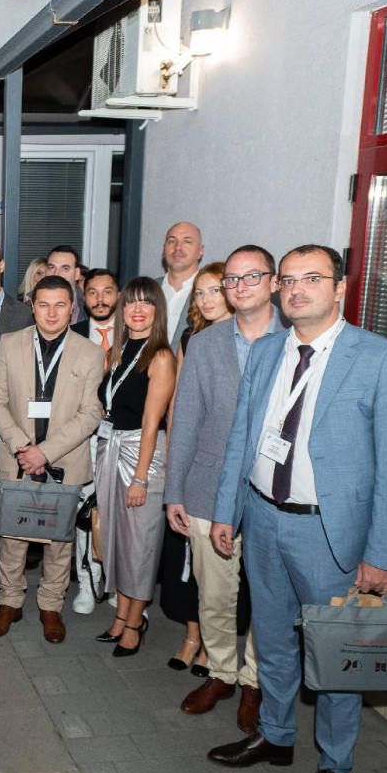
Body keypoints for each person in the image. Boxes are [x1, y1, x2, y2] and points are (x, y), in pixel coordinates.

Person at [206, 246, 387, 773]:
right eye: (289, 280)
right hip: (262, 519)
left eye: (313, 278)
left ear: (340, 287)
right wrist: (227, 511)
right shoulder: (266, 350)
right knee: (272, 641)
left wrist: (382, 554)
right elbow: (242, 436)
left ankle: (336, 769)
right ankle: (275, 736)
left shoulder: (380, 360)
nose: (297, 290)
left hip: (329, 535)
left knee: (334, 660)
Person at [167, 246, 282, 734]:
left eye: (251, 277)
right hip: (207, 486)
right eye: (232, 279)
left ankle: (254, 681)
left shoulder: (294, 340)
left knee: (267, 598)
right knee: (214, 593)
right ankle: (221, 673)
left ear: (273, 282)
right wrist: (174, 490)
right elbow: (186, 420)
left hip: (273, 492)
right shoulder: (205, 343)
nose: (239, 287)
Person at [0, 275, 104, 643]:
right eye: (44, 304)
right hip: (16, 457)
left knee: (59, 541)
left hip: (65, 460)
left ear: (72, 308)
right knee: (11, 535)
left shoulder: (91, 352)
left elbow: (91, 413)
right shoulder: (9, 344)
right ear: (32, 306)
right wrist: (24, 447)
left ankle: (51, 605)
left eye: (60, 305)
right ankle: (9, 600)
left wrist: (45, 452)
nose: (51, 313)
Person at [94, 277, 176, 657]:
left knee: (140, 544)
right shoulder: (117, 351)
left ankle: (135, 622)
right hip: (112, 449)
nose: (138, 310)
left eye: (147, 302)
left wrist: (140, 478)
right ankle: (122, 615)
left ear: (158, 311)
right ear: (122, 309)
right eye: (131, 302)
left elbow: (150, 423)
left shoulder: (161, 357)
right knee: (117, 539)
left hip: (143, 457)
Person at [161, 262, 232, 675]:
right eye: (199, 293)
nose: (206, 300)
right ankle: (192, 637)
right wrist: (175, 462)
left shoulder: (253, 339)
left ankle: (212, 644)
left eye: (214, 290)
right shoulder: (191, 338)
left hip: (226, 463)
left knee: (219, 565)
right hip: (193, 462)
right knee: (189, 557)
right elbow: (179, 407)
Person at [67, 267, 120, 615]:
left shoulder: (135, 332)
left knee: (120, 516)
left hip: (124, 439)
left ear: (119, 295)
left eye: (107, 291)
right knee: (85, 512)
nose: (100, 299)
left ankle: (118, 585)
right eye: (92, 292)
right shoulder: (73, 335)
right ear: (83, 298)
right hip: (84, 437)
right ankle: (87, 583)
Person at [160, 221, 205, 345]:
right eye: (172, 241)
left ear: (200, 251)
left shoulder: (214, 294)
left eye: (187, 241)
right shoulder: (146, 290)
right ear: (164, 249)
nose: (178, 247)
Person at [45, 245, 85, 325]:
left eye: (65, 268)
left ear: (77, 274)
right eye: (51, 267)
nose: (56, 273)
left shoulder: (89, 309)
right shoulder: (27, 310)